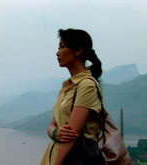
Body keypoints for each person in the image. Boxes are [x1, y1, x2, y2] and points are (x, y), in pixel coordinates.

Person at [41, 28, 104, 165]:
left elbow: (72, 135)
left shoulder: (87, 85)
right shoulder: (68, 87)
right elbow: (52, 126)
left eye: (62, 47)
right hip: (59, 156)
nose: (57, 53)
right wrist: (55, 132)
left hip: (73, 159)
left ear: (78, 50)